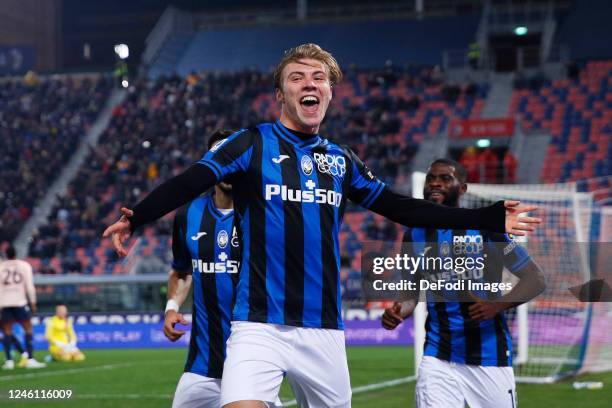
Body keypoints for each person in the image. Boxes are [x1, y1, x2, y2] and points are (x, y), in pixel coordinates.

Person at [103, 43, 541, 408]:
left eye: (319, 77)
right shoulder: (250, 144)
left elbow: (403, 208)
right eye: (297, 77)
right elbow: (191, 181)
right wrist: (136, 218)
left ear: (330, 92)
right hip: (258, 324)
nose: (309, 83)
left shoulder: (341, 160)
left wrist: (486, 216)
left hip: (324, 330)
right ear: (280, 93)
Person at [381, 158, 546, 408]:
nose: (435, 183)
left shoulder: (486, 229)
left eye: (445, 178)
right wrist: (398, 311)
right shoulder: (413, 236)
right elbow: (410, 292)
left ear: (463, 188)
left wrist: (497, 306)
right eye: (431, 179)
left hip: (488, 357)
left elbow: (535, 278)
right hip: (438, 357)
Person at [162, 129, 277, 407]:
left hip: (252, 363)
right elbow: (182, 271)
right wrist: (171, 308)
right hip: (202, 366)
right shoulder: (188, 214)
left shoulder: (265, 214)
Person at [0, 246, 46, 369]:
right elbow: (29, 286)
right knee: (28, 330)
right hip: (20, 302)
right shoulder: (24, 265)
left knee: (7, 332)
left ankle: (9, 361)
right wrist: (33, 303)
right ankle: (30, 359)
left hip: (4, 303)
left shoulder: (1, 267)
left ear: (6, 255)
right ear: (16, 254)